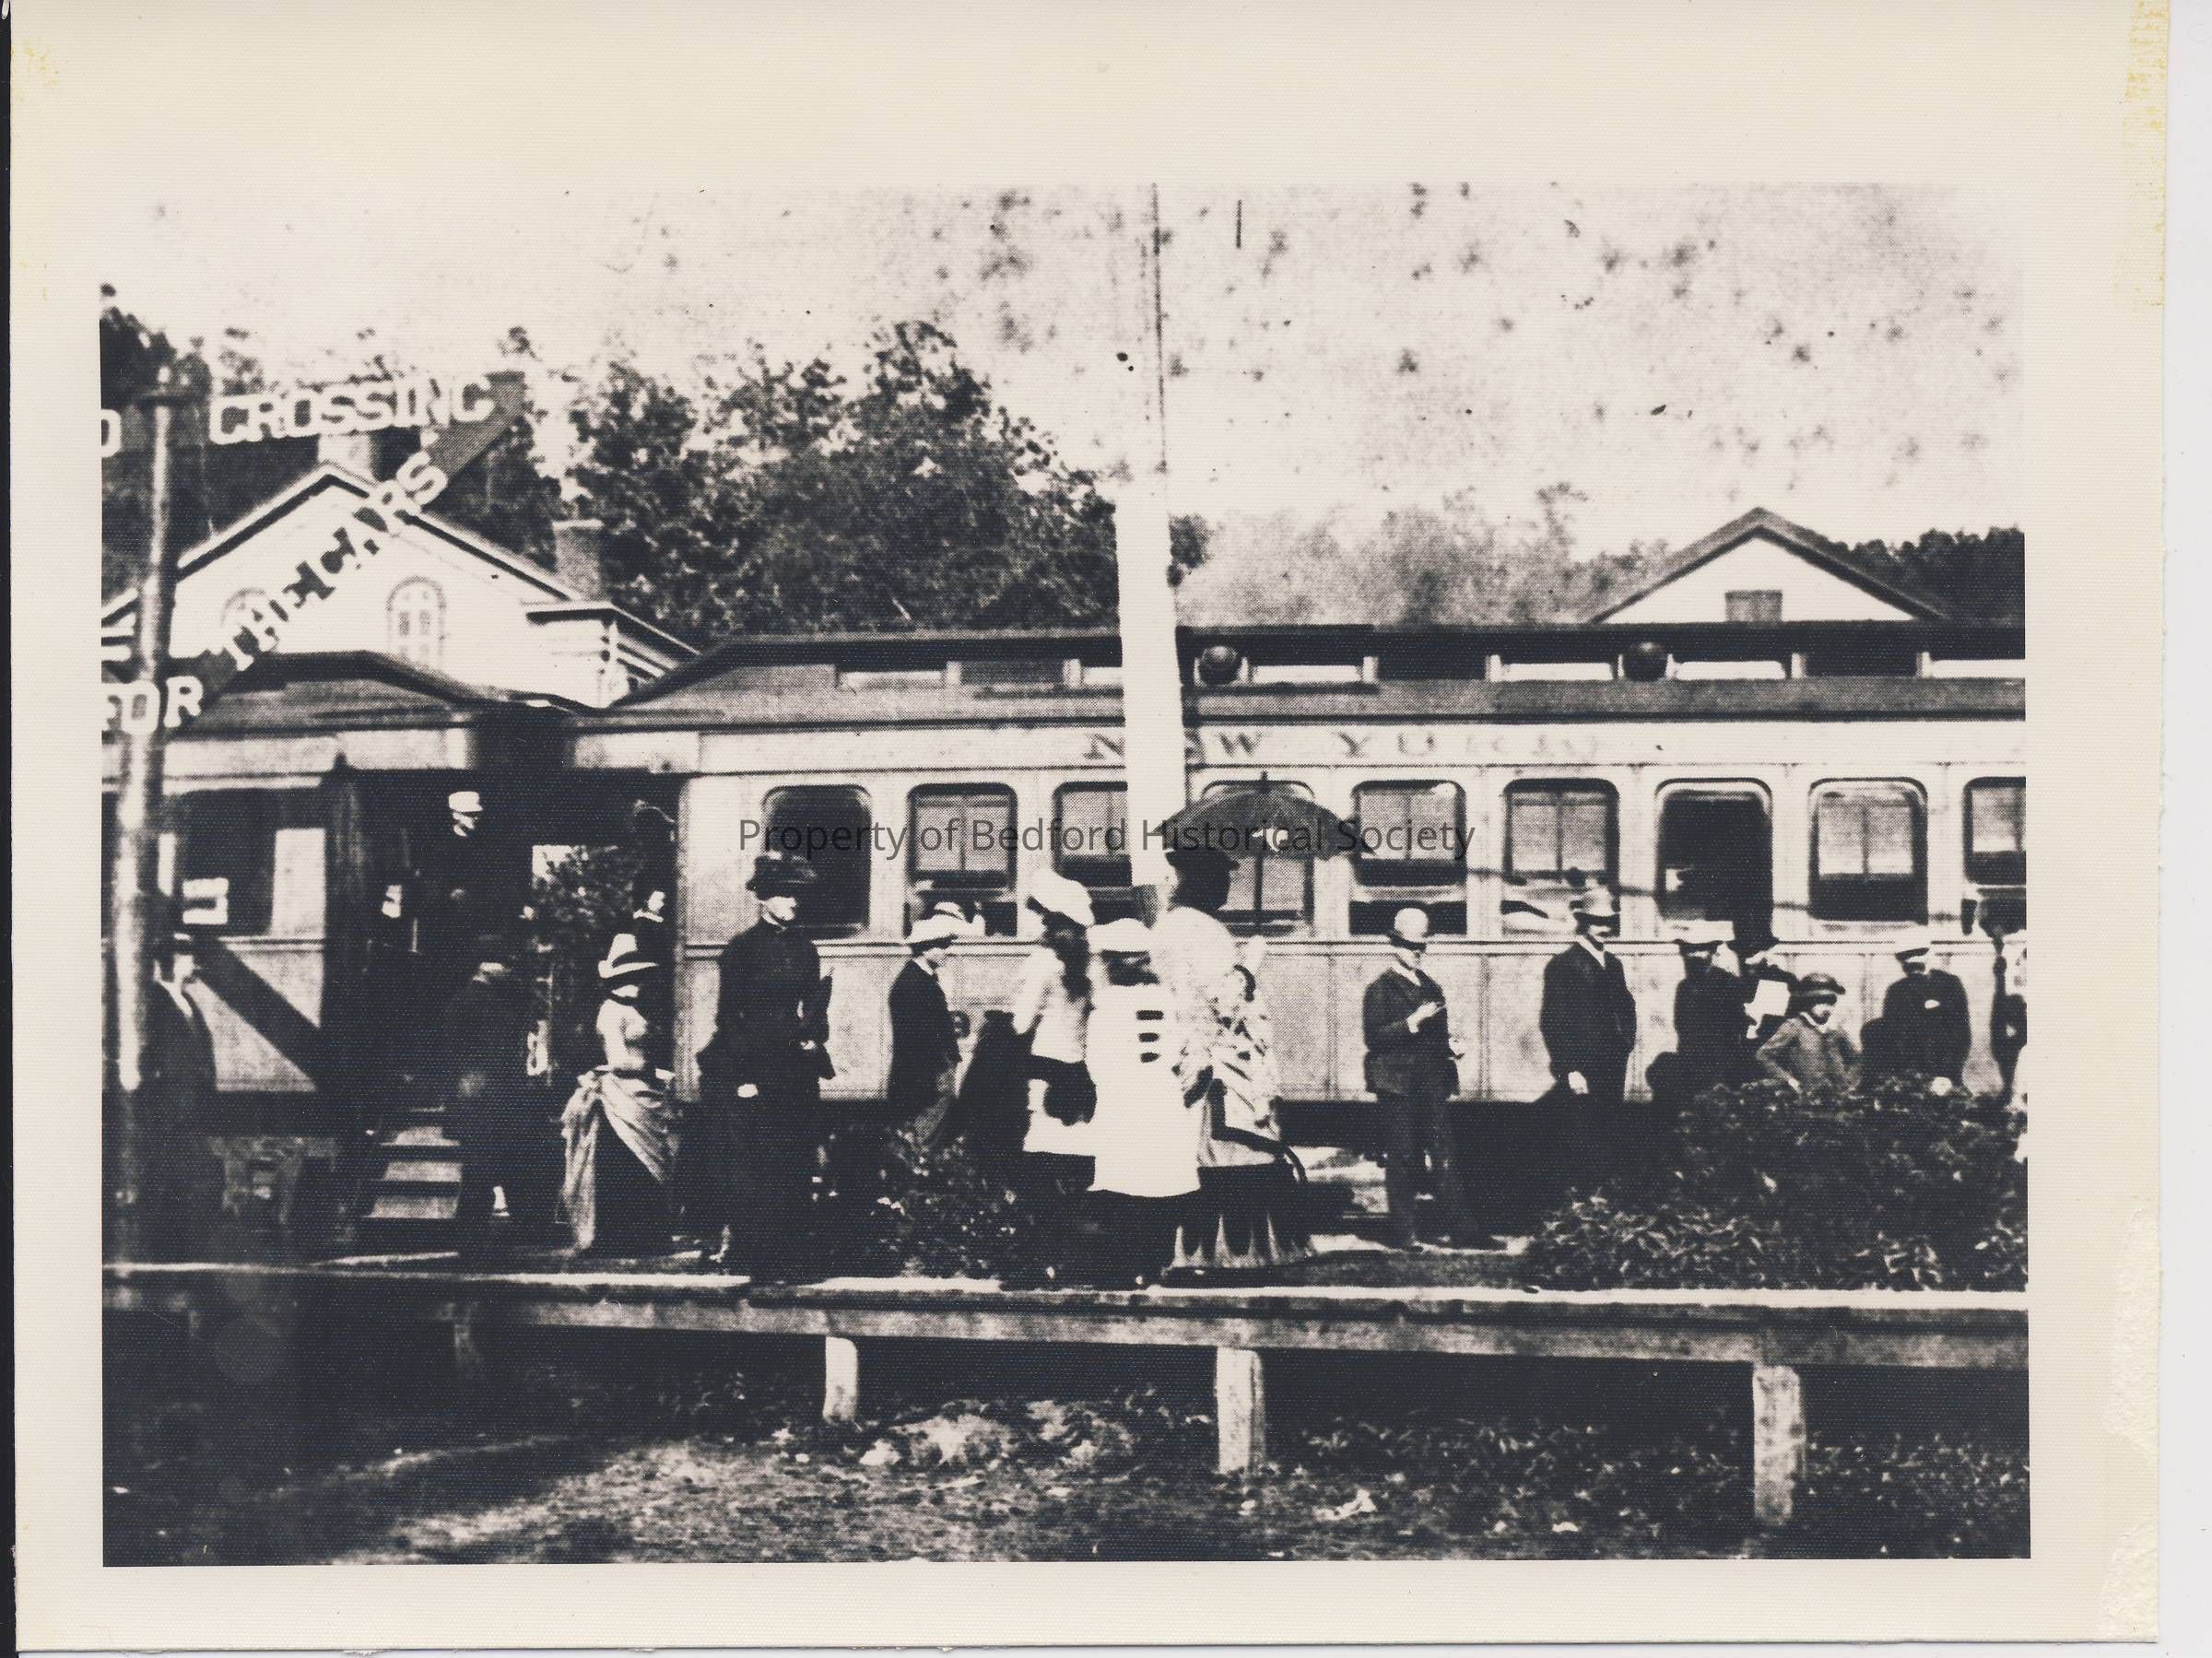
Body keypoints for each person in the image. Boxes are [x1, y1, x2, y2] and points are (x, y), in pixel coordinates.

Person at [1151, 846, 1313, 1279]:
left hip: (1181, 1061)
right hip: (1221, 1068)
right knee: (1235, 1155)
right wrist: (1250, 964)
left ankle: (1183, 1251)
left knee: (1191, 1158)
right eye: (1222, 877)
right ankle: (1230, 1254)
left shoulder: (1164, 927)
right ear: (1203, 881)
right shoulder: (1207, 931)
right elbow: (1225, 1003)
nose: (1227, 885)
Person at [694, 852, 834, 1275]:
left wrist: (814, 1037)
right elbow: (729, 1017)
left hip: (794, 1068)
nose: (794, 902)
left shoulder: (805, 949)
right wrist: (743, 1077)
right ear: (763, 897)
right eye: (785, 894)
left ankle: (791, 1258)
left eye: (797, 894)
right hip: (755, 1066)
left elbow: (814, 1008)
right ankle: (756, 1256)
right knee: (757, 1163)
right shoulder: (741, 950)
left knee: (794, 1157)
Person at [1080, 918, 1206, 1288]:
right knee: (1160, 1184)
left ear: (1114, 962)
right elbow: (1178, 1048)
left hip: (1123, 1099)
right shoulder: (1164, 998)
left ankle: (1128, 1265)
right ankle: (1155, 1263)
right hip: (1161, 1098)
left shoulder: (1106, 1003)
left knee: (1124, 1184)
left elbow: (1096, 1060)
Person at [1361, 906, 1481, 1250]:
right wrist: (1412, 1021)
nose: (1416, 952)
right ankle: (1405, 1234)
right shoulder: (1380, 989)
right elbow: (1374, 1038)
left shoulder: (1430, 986)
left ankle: (1464, 1232)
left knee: (1444, 1155)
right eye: (1409, 945)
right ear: (1394, 944)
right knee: (1402, 1159)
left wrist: (1450, 1046)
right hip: (1397, 1085)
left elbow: (1436, 1037)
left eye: (1421, 945)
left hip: (1431, 1082)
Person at [558, 941, 679, 1255]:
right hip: (622, 1097)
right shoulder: (611, 1012)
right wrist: (653, 1070)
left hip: (643, 1093)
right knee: (625, 1160)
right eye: (632, 977)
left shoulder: (632, 1009)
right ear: (618, 980)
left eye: (639, 977)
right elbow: (619, 1061)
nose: (639, 983)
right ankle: (621, 1237)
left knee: (646, 1162)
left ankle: (646, 1235)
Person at [440, 931, 540, 1258]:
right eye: (502, 963)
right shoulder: (471, 1002)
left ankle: (495, 1237)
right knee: (481, 1172)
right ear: (484, 965)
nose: (507, 969)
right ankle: (471, 1241)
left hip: (490, 1101)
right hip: (483, 1102)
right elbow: (464, 1057)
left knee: (495, 1169)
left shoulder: (484, 1000)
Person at [1011, 871, 1097, 1194]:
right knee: (1077, 1139)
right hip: (1081, 1064)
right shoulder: (1092, 962)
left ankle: (1046, 1207)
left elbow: (1020, 1023)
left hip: (1045, 1062)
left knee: (1042, 1139)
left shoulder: (1042, 962)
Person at [142, 913, 220, 1256]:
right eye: (188, 956)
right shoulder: (155, 1001)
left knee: (188, 1179)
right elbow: (149, 1054)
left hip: (193, 1106)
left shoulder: (187, 1002)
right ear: (171, 962)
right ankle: (166, 1250)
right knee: (171, 1178)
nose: (194, 962)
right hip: (169, 1109)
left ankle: (180, 1248)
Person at [1540, 888, 1639, 1110]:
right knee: (1583, 1124)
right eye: (1597, 921)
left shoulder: (1614, 964)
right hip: (1582, 1066)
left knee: (1609, 1121)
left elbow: (1626, 1006)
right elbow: (1552, 1021)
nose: (1604, 928)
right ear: (1583, 921)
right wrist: (1570, 1069)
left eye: (1609, 922)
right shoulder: (1563, 964)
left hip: (1614, 1062)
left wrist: (1626, 1042)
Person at [885, 913, 965, 1146]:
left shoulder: (920, 979)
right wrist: (943, 1063)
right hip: (926, 1072)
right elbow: (918, 1035)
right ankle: (916, 1157)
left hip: (928, 1069)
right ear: (925, 948)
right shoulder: (913, 983)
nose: (948, 951)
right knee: (922, 1130)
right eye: (943, 945)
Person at [1873, 932, 1973, 1093]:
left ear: (1929, 954)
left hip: (1946, 1077)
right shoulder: (1896, 991)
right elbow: (1892, 1036)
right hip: (1909, 1078)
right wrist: (1909, 1076)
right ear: (1901, 961)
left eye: (1919, 953)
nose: (1912, 960)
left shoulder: (1950, 985)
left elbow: (1962, 1033)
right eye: (1906, 957)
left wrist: (1947, 1075)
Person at [1665, 921, 1751, 1103]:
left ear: (1712, 951)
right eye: (1688, 950)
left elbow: (1737, 1026)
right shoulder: (1684, 987)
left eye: (1700, 949)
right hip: (1690, 1061)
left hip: (1720, 1064)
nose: (1693, 955)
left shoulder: (1728, 983)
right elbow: (1680, 1024)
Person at [1756, 972, 1862, 1094]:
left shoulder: (1835, 1030)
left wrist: (1848, 1081)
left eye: (1831, 1002)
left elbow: (1857, 1059)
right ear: (1808, 1002)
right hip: (1808, 1097)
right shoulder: (1794, 1026)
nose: (1827, 1008)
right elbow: (1763, 1055)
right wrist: (1789, 1080)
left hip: (1839, 1097)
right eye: (1821, 1001)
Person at [1735, 923, 1799, 1051]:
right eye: (1742, 953)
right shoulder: (1735, 983)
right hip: (1743, 1049)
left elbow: (1792, 1018)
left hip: (1773, 1047)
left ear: (1765, 951)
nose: (1746, 959)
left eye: (1752, 953)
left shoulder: (1784, 980)